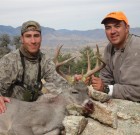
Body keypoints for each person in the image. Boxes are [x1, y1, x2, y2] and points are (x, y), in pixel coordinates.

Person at [0, 20, 67, 113]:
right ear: (22, 39)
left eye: (36, 36)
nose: (33, 41)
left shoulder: (45, 61)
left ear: (41, 38)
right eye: (28, 36)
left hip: (33, 111)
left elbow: (60, 85)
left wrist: (76, 83)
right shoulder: (10, 61)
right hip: (10, 112)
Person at [90, 11, 140, 102]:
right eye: (108, 27)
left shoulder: (136, 47)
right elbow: (105, 79)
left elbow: (136, 91)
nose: (112, 31)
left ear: (127, 28)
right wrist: (91, 82)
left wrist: (105, 89)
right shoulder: (110, 48)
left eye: (117, 26)